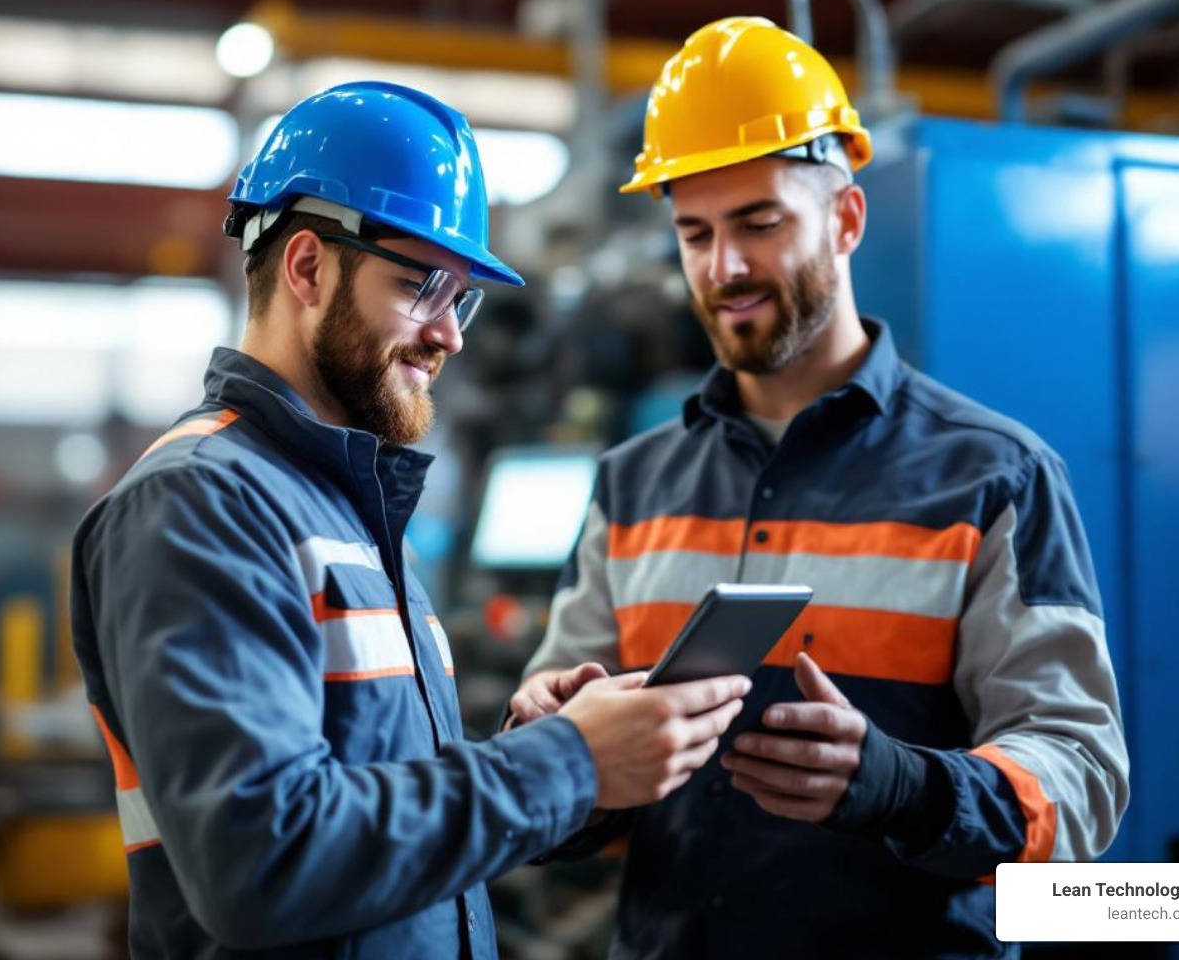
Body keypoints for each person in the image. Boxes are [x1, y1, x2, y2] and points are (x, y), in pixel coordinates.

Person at [68, 81, 751, 960]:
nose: (451, 335)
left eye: (461, 298)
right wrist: (565, 763)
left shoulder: (343, 504)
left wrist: (551, 750)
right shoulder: (201, 505)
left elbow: (385, 814)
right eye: (423, 286)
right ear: (307, 268)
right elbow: (261, 862)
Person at [510, 18, 1130, 959]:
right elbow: (563, 789)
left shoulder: (993, 476)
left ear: (845, 219)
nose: (724, 268)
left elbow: (1081, 778)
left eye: (759, 223)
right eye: (694, 234)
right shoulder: (630, 486)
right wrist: (553, 743)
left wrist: (903, 788)